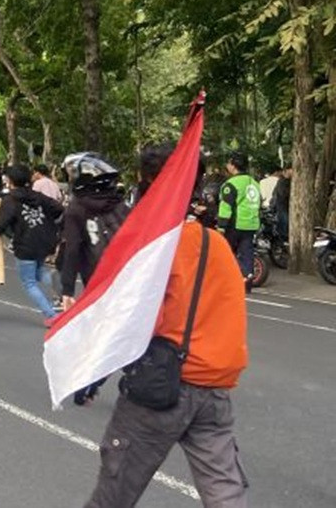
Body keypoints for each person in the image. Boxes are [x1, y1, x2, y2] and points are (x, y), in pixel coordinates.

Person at [85, 144, 249, 507]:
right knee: (225, 494)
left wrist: (92, 375)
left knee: (114, 493)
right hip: (215, 391)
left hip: (162, 389)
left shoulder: (154, 249)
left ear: (147, 186)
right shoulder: (216, 244)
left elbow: (132, 322)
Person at [58, 153, 130, 307]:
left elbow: (72, 249)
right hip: (127, 271)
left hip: (96, 276)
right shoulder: (119, 203)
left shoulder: (76, 208)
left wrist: (67, 290)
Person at [0, 163, 63, 323]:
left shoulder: (10, 200)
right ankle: (57, 285)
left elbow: (1, 224)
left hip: (25, 244)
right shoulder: (38, 196)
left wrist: (1, 231)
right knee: (38, 270)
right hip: (45, 241)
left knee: (29, 282)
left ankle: (51, 316)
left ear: (10, 181)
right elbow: (59, 208)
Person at [217, 151, 260, 287]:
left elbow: (226, 207)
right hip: (252, 223)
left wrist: (221, 227)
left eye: (229, 163)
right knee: (247, 253)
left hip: (235, 224)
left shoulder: (231, 184)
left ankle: (228, 280)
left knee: (227, 252)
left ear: (233, 166)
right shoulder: (254, 183)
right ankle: (247, 279)